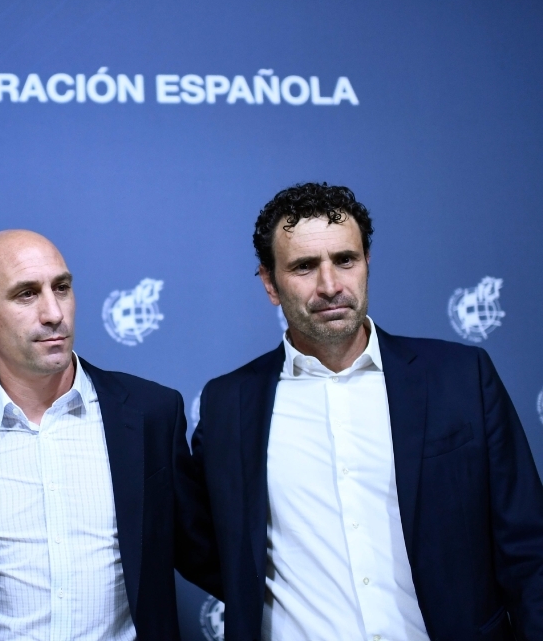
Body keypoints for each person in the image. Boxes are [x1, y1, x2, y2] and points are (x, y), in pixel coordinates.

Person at [190, 183, 543, 640]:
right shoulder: (228, 406)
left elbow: (529, 549)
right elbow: (208, 548)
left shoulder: (461, 378)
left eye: (345, 260)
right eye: (304, 266)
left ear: (367, 263)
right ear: (269, 284)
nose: (330, 285)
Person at [0, 230, 208, 641]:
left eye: (61, 288)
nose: (53, 313)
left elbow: (199, 550)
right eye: (26, 294)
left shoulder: (151, 413)